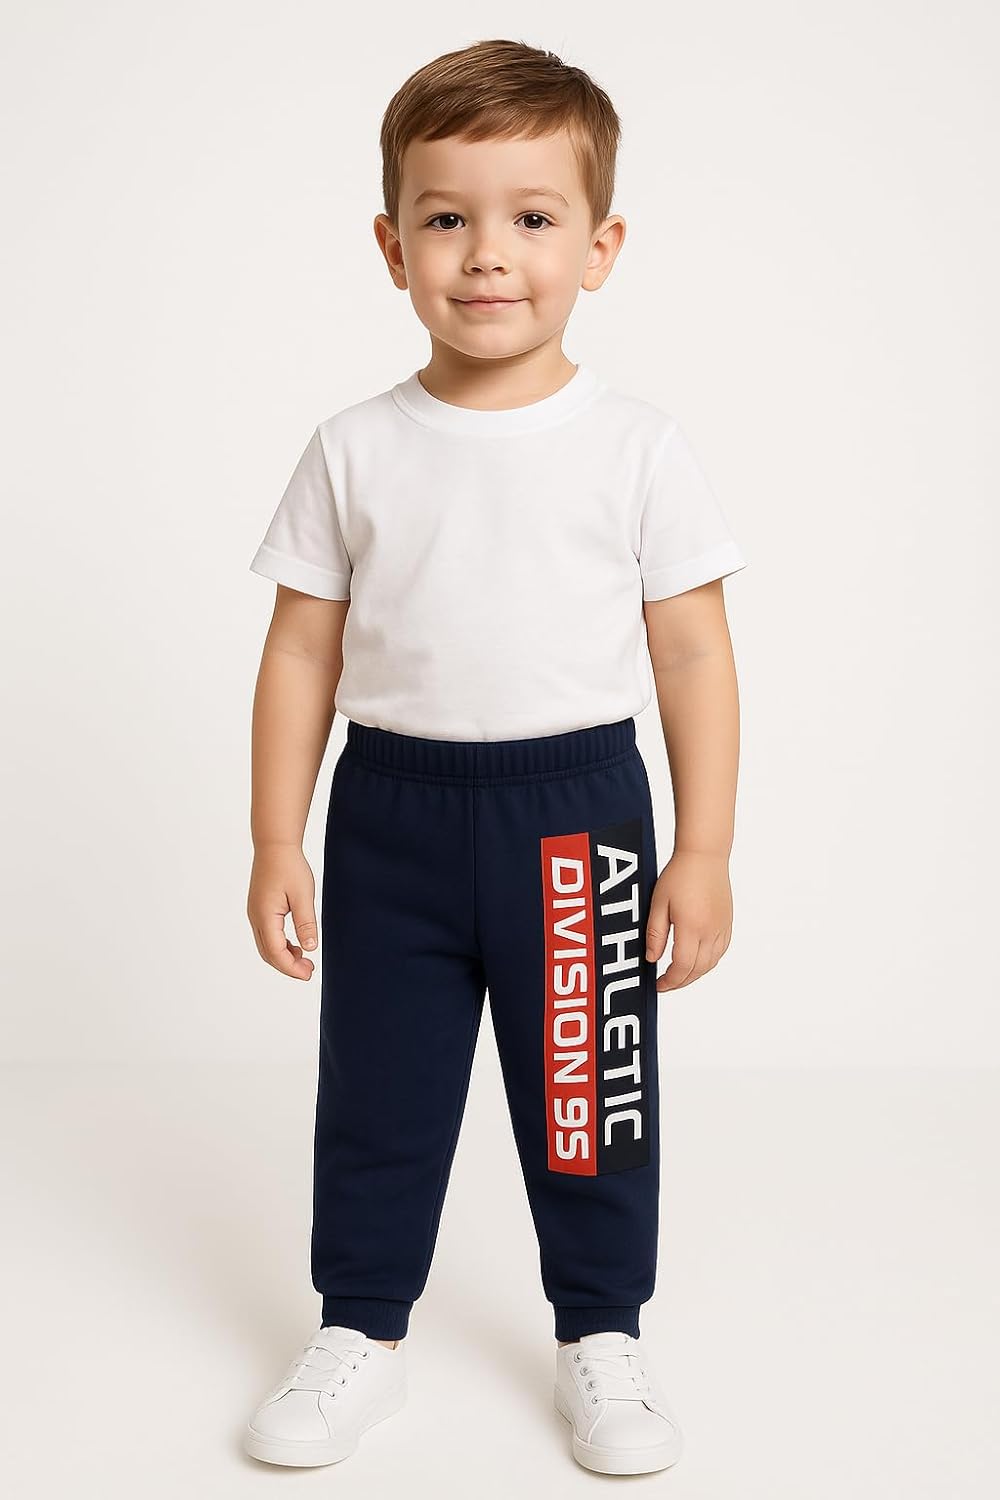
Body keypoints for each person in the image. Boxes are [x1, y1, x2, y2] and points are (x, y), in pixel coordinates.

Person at [242, 37, 747, 1478]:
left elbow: (694, 656)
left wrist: (704, 849)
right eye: (447, 218)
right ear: (391, 244)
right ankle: (360, 1329)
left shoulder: (637, 447)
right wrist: (277, 836)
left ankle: (603, 1331)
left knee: (589, 1096)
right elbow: (300, 651)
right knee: (379, 1091)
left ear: (601, 246)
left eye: (532, 217)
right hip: (392, 814)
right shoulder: (353, 447)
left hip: (576, 814)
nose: (487, 254)